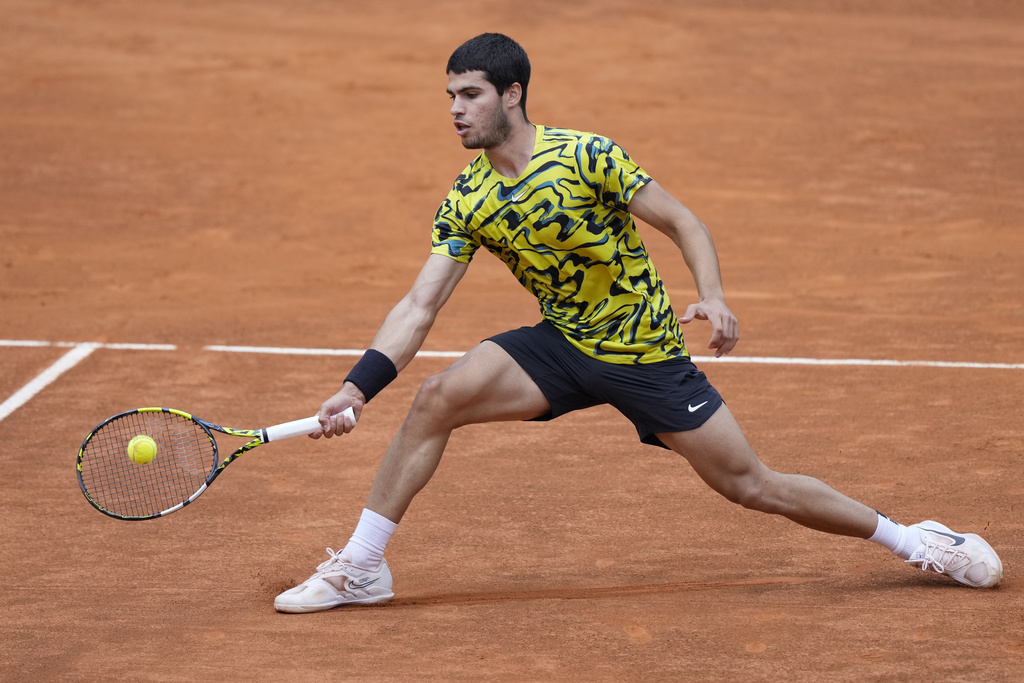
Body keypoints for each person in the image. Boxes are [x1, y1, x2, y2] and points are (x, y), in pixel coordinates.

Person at [273, 33, 1002, 613]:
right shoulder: (469, 198)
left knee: (752, 484)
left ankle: (916, 540)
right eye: (449, 97)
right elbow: (419, 305)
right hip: (560, 345)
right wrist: (357, 388)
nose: (455, 110)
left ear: (513, 94)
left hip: (647, 356)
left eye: (470, 95)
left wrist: (711, 295)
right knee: (436, 400)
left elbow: (684, 220)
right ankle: (362, 568)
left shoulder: (586, 156)